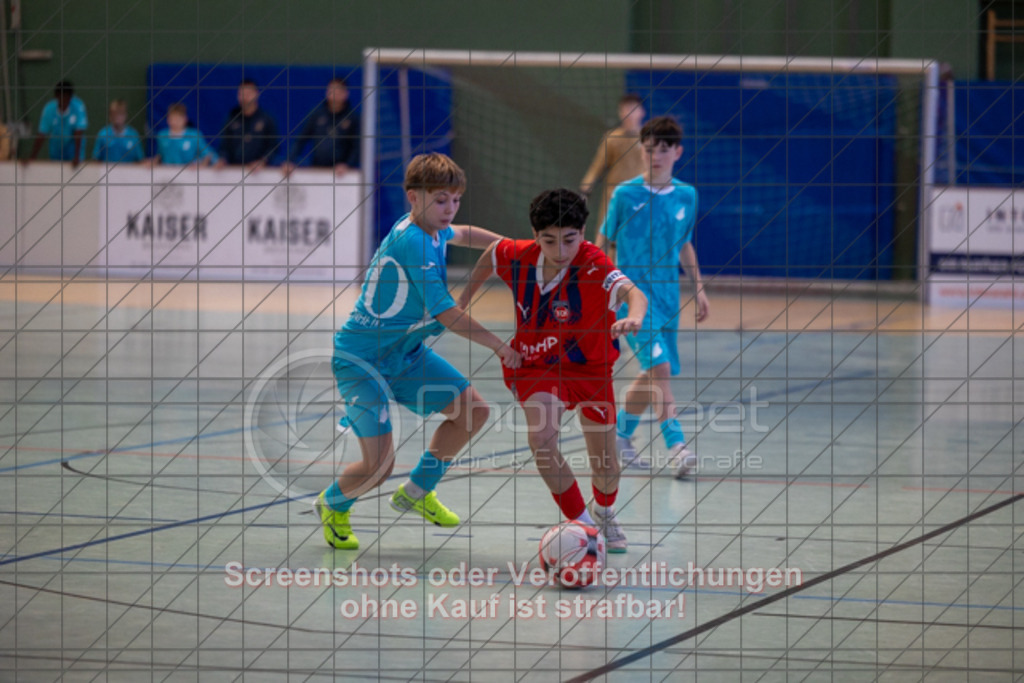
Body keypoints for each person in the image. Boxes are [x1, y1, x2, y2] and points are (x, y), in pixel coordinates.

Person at [314, 152, 520, 550]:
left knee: (472, 412)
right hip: (362, 363)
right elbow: (448, 315)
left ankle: (417, 491)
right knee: (378, 465)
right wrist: (499, 346)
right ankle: (333, 503)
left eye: (455, 199)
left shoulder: (433, 229)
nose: (450, 209)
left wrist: (511, 246)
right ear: (413, 197)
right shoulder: (414, 244)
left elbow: (463, 233)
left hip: (404, 354)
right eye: (441, 199)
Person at [458, 188, 648, 553]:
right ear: (535, 234)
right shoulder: (518, 256)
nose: (560, 251)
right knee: (541, 439)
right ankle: (585, 525)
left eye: (569, 240)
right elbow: (490, 254)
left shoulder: (595, 265)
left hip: (591, 371)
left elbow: (632, 292)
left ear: (582, 233)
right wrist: (463, 300)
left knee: (606, 464)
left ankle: (604, 511)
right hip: (537, 366)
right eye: (549, 240)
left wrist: (635, 317)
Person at [595, 116, 710, 479]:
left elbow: (685, 243)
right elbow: (602, 242)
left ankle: (620, 437)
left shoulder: (686, 195)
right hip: (632, 299)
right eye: (649, 149)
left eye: (663, 149)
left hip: (668, 299)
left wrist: (699, 288)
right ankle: (678, 447)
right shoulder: (624, 195)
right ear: (641, 151)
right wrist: (597, 289)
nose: (655, 156)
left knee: (651, 373)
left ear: (677, 152)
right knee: (660, 370)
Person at [579, 93, 646, 239]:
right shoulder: (612, 138)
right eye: (625, 109)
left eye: (633, 109)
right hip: (613, 198)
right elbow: (596, 167)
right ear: (620, 112)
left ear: (642, 112)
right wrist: (585, 189)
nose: (629, 114)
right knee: (606, 240)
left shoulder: (649, 139)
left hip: (641, 198)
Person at [283, 77, 359, 175]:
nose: (334, 93)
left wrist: (348, 165)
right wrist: (290, 160)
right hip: (317, 170)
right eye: (331, 89)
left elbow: (358, 147)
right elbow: (300, 140)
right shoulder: (317, 115)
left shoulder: (353, 118)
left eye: (338, 90)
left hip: (342, 174)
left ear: (345, 94)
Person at [218, 78, 280, 169]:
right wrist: (222, 159)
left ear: (256, 94)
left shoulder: (267, 120)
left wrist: (263, 161)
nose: (244, 98)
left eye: (248, 94)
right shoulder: (231, 119)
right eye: (241, 94)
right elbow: (224, 146)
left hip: (261, 173)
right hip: (234, 171)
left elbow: (273, 147)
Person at [25, 80, 88, 166]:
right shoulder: (49, 109)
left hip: (73, 152)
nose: (64, 100)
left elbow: (78, 132)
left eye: (66, 97)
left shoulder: (78, 106)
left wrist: (76, 156)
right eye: (61, 97)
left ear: (70, 97)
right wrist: (32, 157)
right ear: (56, 97)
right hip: (56, 151)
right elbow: (42, 134)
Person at [152, 103, 220, 166]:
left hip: (190, 174)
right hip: (168, 174)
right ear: (168, 119)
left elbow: (209, 154)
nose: (175, 122)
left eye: (178, 119)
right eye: (173, 118)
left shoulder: (194, 135)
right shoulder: (162, 135)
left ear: (185, 119)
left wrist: (202, 165)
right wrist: (152, 162)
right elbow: (160, 155)